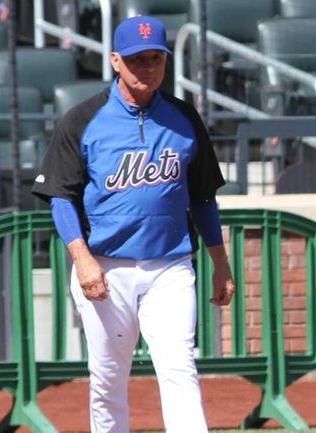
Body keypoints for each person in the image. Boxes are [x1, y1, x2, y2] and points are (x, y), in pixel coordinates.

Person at [32, 16, 235, 433]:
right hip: (105, 266)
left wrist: (221, 263)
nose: (147, 67)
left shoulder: (184, 118)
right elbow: (61, 199)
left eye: (155, 59)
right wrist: (82, 260)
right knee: (108, 378)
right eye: (137, 59)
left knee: (180, 366)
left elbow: (202, 198)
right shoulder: (83, 119)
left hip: (170, 266)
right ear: (115, 61)